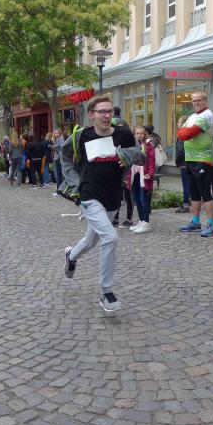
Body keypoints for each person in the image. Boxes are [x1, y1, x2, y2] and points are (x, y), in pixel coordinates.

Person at [60, 96, 142, 312]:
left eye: (110, 112)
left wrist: (127, 155)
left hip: (113, 195)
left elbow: (140, 156)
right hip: (89, 194)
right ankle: (107, 292)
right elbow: (64, 158)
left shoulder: (124, 134)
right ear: (91, 115)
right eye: (102, 112)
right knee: (110, 237)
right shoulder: (81, 136)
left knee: (91, 241)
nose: (107, 116)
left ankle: (71, 256)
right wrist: (75, 185)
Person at [177, 91, 213, 237]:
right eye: (194, 100)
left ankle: (211, 225)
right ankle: (195, 222)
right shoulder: (192, 116)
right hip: (190, 159)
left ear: (205, 101)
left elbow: (185, 134)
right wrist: (183, 130)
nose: (196, 102)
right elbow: (181, 132)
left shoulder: (206, 115)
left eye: (199, 100)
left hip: (203, 159)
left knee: (205, 193)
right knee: (194, 192)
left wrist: (184, 130)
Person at [128, 126, 155, 234]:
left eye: (141, 133)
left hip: (144, 175)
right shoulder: (130, 145)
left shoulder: (148, 145)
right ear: (134, 134)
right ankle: (141, 221)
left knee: (144, 200)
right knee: (137, 200)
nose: (139, 135)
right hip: (134, 174)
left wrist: (150, 173)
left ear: (145, 135)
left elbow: (152, 160)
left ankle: (146, 223)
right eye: (137, 133)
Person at [174, 116, 190, 213]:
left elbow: (180, 150)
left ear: (184, 123)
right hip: (191, 162)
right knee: (191, 184)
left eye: (179, 122)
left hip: (184, 163)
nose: (177, 123)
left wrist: (177, 161)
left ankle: (185, 205)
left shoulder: (182, 134)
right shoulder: (190, 133)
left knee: (186, 185)